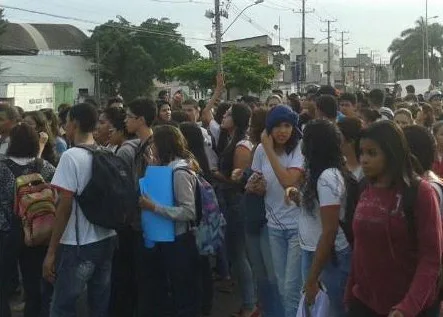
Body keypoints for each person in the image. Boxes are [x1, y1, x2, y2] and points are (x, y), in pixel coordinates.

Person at [345, 120, 442, 317]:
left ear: (391, 153)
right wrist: (350, 293)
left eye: (372, 153)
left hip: (409, 306)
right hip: (365, 302)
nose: (363, 159)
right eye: (361, 152)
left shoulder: (420, 192)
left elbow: (431, 258)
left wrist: (407, 307)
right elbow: (361, 249)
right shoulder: (364, 188)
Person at [42, 103, 117, 317]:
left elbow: (64, 207)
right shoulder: (104, 152)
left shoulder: (71, 156)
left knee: (62, 306)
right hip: (107, 237)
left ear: (74, 123)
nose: (65, 126)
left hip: (78, 244)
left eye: (66, 122)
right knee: (98, 304)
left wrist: (51, 252)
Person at [138, 125, 200, 317]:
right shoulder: (168, 168)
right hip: (168, 237)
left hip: (180, 239)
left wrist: (154, 207)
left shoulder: (179, 172)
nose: (151, 148)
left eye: (154, 143)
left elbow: (188, 211)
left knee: (182, 290)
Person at [293, 120, 351, 317]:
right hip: (315, 251)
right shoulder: (318, 172)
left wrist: (312, 278)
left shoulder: (328, 177)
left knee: (330, 310)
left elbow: (330, 230)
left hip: (329, 258)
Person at [251, 105, 304, 317]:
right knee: (281, 286)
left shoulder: (299, 147)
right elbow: (258, 180)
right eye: (277, 126)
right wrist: (254, 185)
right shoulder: (260, 151)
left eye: (287, 126)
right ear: (269, 128)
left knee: (292, 290)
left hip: (298, 227)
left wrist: (268, 147)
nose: (282, 131)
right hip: (273, 226)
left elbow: (288, 180)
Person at [0, 124, 56, 317]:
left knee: (3, 285)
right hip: (37, 232)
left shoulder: (2, 167)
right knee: (34, 286)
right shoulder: (44, 167)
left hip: (7, 232)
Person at [214, 103, 256, 317]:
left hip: (237, 203)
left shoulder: (241, 146)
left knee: (239, 255)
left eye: (229, 114)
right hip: (231, 202)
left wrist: (214, 174)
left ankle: (249, 305)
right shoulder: (232, 141)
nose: (223, 117)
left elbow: (238, 180)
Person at [179, 122, 213, 316]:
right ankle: (205, 305)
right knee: (203, 267)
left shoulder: (187, 164)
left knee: (195, 270)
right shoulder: (200, 160)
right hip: (202, 224)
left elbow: (187, 208)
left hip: (193, 225)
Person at [182, 99, 218, 171]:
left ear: (197, 110)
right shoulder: (179, 133)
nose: (186, 113)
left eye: (189, 110)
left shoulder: (207, 131)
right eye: (184, 111)